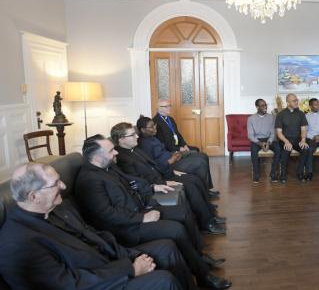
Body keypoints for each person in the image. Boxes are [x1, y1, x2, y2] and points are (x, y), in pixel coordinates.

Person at [75, 135, 232, 290]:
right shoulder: (89, 179)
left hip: (140, 210)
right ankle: (203, 275)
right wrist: (142, 218)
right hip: (125, 228)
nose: (115, 152)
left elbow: (132, 184)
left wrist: (151, 194)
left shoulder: (108, 167)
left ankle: (199, 258)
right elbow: (107, 214)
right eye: (110, 151)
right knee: (175, 230)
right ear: (96, 157)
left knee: (183, 211)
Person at [0, 162, 190, 290]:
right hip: (96, 284)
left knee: (166, 248)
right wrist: (130, 269)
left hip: (107, 263)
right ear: (34, 196)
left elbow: (96, 236)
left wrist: (132, 256)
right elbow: (71, 284)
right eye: (56, 183)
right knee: (163, 281)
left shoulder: (58, 207)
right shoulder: (17, 242)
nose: (64, 186)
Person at [112, 122, 226, 235]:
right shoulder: (121, 157)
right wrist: (163, 182)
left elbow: (155, 165)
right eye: (132, 135)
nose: (137, 136)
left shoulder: (135, 149)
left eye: (135, 133)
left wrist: (172, 171)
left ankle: (211, 215)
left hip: (163, 175)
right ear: (121, 139)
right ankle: (206, 225)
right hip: (156, 184)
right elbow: (137, 180)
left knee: (194, 179)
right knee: (190, 185)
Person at [153, 99, 218, 196]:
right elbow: (163, 144)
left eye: (169, 105)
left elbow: (178, 134)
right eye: (166, 106)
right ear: (158, 108)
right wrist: (178, 149)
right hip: (172, 152)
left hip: (179, 147)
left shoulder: (170, 119)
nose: (169, 108)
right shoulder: (155, 123)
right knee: (200, 159)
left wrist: (184, 144)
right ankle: (203, 191)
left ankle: (206, 189)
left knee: (201, 153)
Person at [274, 93, 310, 183]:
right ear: (288, 102)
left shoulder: (301, 114)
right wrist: (286, 141)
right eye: (294, 101)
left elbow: (304, 129)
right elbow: (279, 133)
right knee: (286, 150)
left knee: (305, 149)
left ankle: (300, 173)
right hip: (285, 139)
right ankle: (283, 175)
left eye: (296, 100)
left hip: (297, 139)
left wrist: (303, 140)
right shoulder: (281, 114)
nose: (296, 102)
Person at [247, 98, 281, 183]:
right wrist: (260, 144)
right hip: (257, 140)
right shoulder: (251, 118)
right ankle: (256, 175)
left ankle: (273, 174)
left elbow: (273, 133)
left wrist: (269, 142)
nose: (265, 107)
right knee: (253, 151)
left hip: (268, 139)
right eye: (262, 105)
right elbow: (250, 135)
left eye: (265, 105)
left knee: (278, 149)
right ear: (257, 107)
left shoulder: (271, 117)